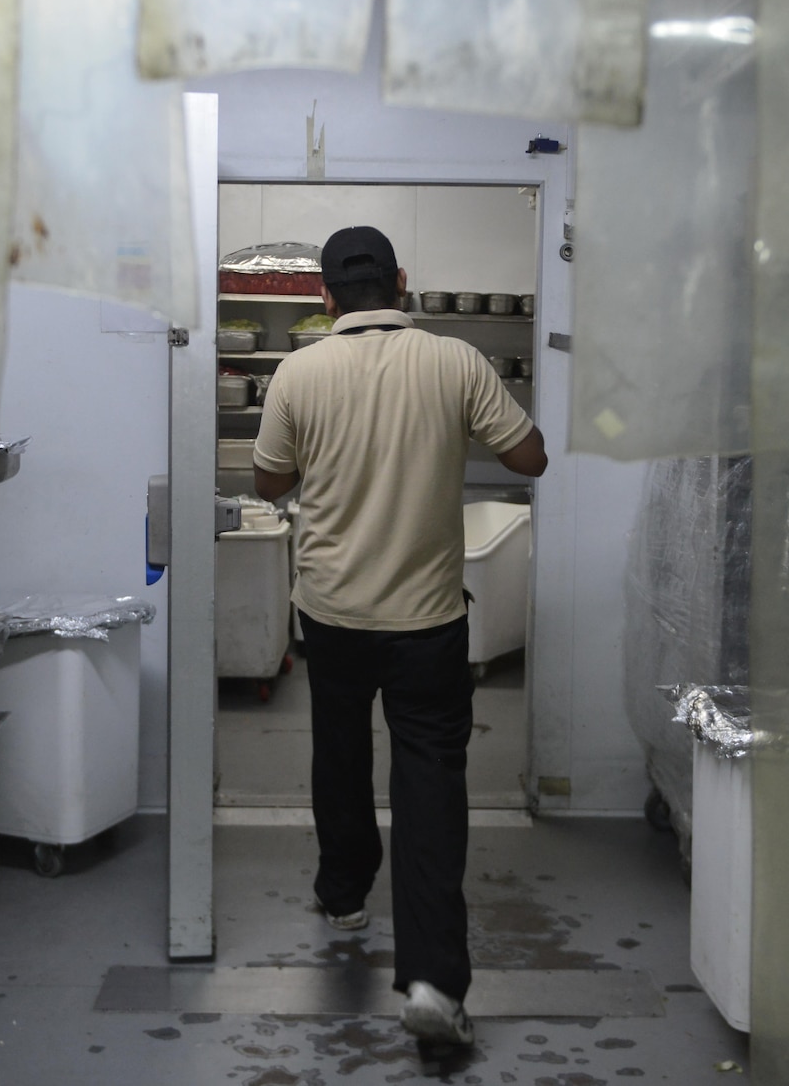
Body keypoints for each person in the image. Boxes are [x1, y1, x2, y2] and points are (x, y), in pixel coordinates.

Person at [251, 226, 548, 1049]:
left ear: (324, 297)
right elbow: (530, 457)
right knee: (430, 783)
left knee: (339, 751)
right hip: (427, 621)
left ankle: (344, 891)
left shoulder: (298, 371)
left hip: (334, 612)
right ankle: (433, 981)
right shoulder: (455, 362)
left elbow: (269, 478)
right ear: (403, 283)